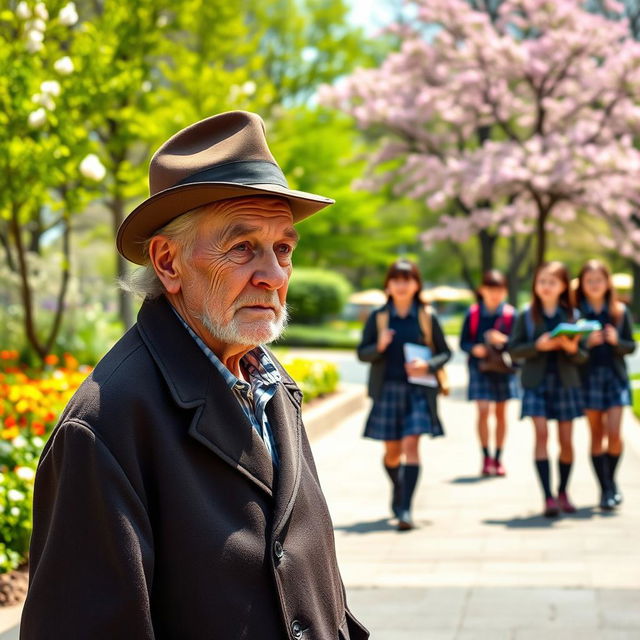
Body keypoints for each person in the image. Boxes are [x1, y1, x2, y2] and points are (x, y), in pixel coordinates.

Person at [21, 111, 369, 640]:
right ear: (168, 262)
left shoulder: (270, 383)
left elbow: (310, 581)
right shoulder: (107, 424)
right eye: (242, 247)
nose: (274, 276)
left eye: (283, 249)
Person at [357, 259, 451, 531]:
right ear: (388, 284)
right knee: (392, 453)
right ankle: (398, 490)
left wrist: (429, 365)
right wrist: (379, 345)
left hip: (418, 392)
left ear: (416, 284)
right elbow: (362, 353)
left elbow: (446, 352)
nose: (401, 284)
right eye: (396, 279)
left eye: (407, 279)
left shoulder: (426, 316)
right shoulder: (379, 317)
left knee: (412, 447)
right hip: (387, 391)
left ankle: (406, 509)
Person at [508, 261, 587, 518]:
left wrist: (572, 349)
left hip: (566, 383)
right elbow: (513, 349)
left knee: (566, 439)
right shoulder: (526, 316)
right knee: (541, 435)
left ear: (564, 285)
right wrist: (537, 346)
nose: (546, 286)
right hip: (535, 383)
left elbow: (584, 356)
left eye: (552, 282)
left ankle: (563, 490)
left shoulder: (573, 316)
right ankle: (547, 497)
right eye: (541, 281)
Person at [574, 260, 636, 510]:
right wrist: (586, 345)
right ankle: (605, 488)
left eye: (599, 279)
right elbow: (571, 350)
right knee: (596, 434)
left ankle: (611, 482)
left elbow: (630, 346)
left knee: (614, 433)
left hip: (615, 378)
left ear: (607, 282)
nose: (595, 284)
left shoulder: (620, 312)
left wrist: (616, 340)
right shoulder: (577, 314)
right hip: (589, 379)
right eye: (589, 280)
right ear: (582, 284)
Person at [460, 270, 518, 477]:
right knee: (483, 411)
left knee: (501, 414)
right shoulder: (474, 314)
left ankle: (498, 457)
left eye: (499, 290)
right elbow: (463, 342)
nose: (495, 294)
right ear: (482, 290)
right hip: (480, 368)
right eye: (491, 289)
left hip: (503, 369)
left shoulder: (511, 315)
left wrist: (503, 340)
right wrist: (475, 348)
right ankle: (485, 457)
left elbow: (519, 344)